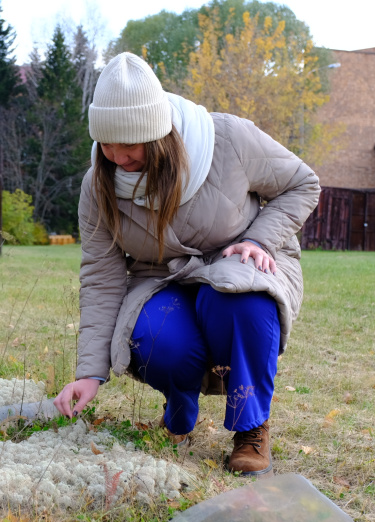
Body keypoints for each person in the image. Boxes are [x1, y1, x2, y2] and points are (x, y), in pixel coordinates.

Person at [52, 53, 320, 476]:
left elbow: (303, 184)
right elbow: (101, 278)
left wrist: (258, 238)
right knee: (158, 340)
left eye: (130, 145)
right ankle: (179, 412)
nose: (117, 157)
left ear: (159, 134)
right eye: (107, 144)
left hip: (236, 262)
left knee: (244, 305)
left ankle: (252, 427)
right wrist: (90, 373)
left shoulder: (228, 138)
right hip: (161, 279)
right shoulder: (97, 185)